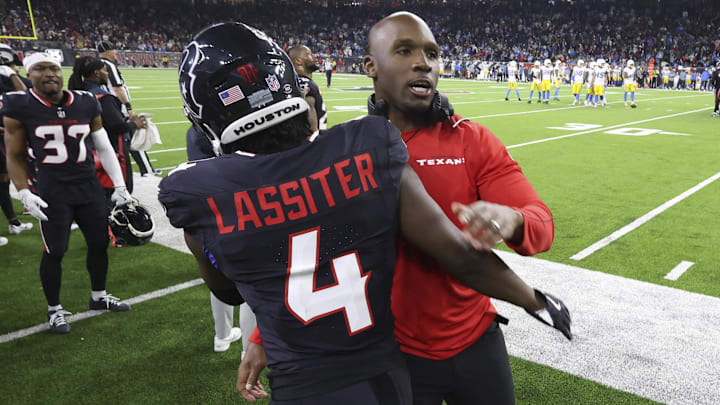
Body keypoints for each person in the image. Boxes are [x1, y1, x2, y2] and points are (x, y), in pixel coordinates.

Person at [161, 22, 571, 405]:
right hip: (395, 348)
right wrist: (260, 336)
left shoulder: (470, 140)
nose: (422, 62)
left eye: (432, 52)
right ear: (371, 67)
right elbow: (307, 252)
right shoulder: (356, 148)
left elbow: (541, 224)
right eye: (405, 50)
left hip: (472, 336)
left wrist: (514, 220)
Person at [1, 53, 133, 334]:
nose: (48, 73)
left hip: (88, 187)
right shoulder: (20, 105)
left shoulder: (85, 101)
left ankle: (98, 297)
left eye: (53, 68)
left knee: (99, 243)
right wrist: (24, 192)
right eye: (39, 69)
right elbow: (14, 155)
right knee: (55, 250)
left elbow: (104, 145)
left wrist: (119, 185)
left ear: (61, 72)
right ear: (29, 75)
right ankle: (54, 310)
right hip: (51, 191)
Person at [185, 124, 257, 354]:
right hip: (239, 208)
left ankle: (222, 336)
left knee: (218, 273)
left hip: (209, 212)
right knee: (250, 282)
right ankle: (248, 350)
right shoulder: (234, 126)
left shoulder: (195, 130)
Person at [67, 56, 146, 205]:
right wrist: (134, 124)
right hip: (108, 152)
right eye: (104, 70)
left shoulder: (76, 93)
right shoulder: (102, 97)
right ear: (96, 73)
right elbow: (116, 127)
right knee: (116, 197)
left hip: (84, 153)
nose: (107, 73)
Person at [97, 40, 160, 178]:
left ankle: (139, 169)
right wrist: (128, 108)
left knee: (119, 141)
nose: (116, 53)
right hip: (117, 109)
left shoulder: (97, 65)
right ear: (108, 52)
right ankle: (147, 170)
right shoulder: (108, 65)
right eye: (114, 50)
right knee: (133, 138)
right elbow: (117, 88)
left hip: (105, 109)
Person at [0, 44, 33, 247]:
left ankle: (14, 222)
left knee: (3, 182)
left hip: (4, 137)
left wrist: (10, 74)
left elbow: (26, 95)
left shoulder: (9, 80)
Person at [288, 45, 327, 131]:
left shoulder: (298, 82)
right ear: (298, 61)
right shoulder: (305, 84)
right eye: (308, 54)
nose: (314, 56)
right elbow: (312, 129)